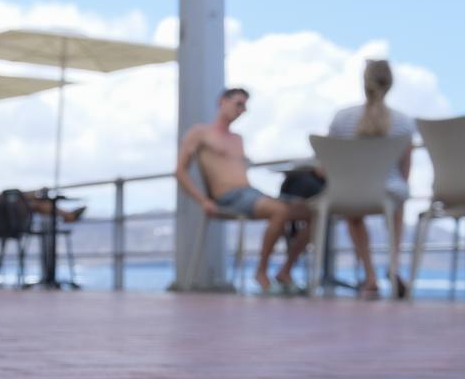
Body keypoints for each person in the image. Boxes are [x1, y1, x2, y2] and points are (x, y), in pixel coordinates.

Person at [176, 87, 310, 292]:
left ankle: (285, 271)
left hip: (250, 192)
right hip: (227, 196)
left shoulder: (238, 138)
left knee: (310, 212)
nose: (241, 110)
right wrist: (203, 201)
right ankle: (261, 273)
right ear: (222, 101)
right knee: (280, 211)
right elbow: (180, 171)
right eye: (238, 104)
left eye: (244, 107)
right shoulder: (200, 132)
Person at [328, 60, 415, 299]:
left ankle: (370, 276)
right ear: (390, 84)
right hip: (389, 190)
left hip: (353, 190)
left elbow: (331, 161)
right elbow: (405, 168)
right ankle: (394, 267)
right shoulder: (403, 122)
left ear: (364, 82)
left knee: (353, 213)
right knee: (397, 205)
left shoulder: (342, 118)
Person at [0, 153, 86, 221]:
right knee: (36, 203)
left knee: (30, 200)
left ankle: (66, 215)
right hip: (0, 223)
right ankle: (67, 215)